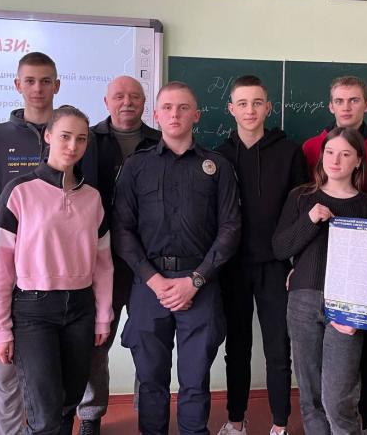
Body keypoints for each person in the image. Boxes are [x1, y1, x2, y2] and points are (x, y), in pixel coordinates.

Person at [113, 81, 241, 435]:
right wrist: (155, 281)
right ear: (155, 115)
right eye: (167, 108)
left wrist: (195, 281)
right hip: (148, 284)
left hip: (201, 283)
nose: (175, 114)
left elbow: (231, 229)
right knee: (150, 379)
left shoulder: (218, 166)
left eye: (183, 108)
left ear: (196, 115)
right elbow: (122, 230)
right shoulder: (136, 167)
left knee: (195, 380)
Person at [0, 51, 96, 435]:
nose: (37, 88)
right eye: (30, 81)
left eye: (45, 81)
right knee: (16, 385)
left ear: (56, 85)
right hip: (21, 291)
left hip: (72, 295)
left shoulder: (82, 160)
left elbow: (90, 218)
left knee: (61, 397)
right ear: (18, 85)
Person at [273, 127, 367, 435]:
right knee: (310, 393)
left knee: (339, 397)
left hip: (347, 307)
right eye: (330, 152)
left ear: (358, 161)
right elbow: (280, 247)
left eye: (345, 154)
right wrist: (310, 220)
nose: (335, 160)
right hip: (303, 300)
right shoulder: (301, 197)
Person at [302, 76, 367, 434]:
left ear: (366, 104)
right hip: (320, 272)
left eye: (354, 100)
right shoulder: (312, 146)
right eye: (339, 101)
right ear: (330, 106)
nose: (346, 107)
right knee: (323, 362)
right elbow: (306, 205)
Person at [215, 75, 308, 435]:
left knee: (278, 349)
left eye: (257, 103)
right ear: (231, 109)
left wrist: (296, 262)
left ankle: (279, 424)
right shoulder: (218, 156)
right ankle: (236, 420)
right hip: (233, 267)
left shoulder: (290, 152)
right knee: (237, 348)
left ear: (268, 107)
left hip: (276, 265)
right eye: (242, 103)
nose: (250, 110)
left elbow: (301, 211)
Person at [77, 75, 161, 435]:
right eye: (119, 96)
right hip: (98, 260)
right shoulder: (87, 140)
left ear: (144, 102)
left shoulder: (160, 142)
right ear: (106, 101)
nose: (127, 102)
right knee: (96, 342)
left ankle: (148, 412)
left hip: (148, 261)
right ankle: (90, 415)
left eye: (135, 96)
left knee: (148, 341)